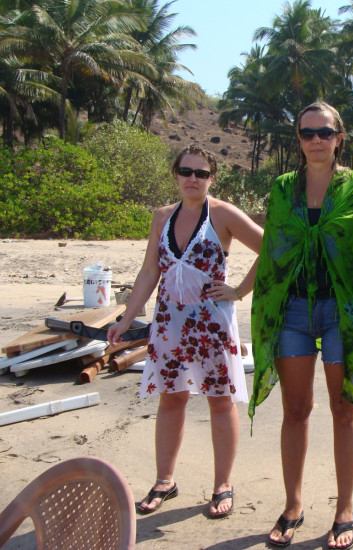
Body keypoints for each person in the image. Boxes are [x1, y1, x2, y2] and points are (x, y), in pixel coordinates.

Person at [249, 100, 353, 549]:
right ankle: (293, 505)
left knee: (344, 409)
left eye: (325, 132)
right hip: (292, 310)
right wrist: (239, 290)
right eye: (307, 133)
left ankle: (344, 508)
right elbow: (274, 249)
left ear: (339, 138)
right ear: (299, 139)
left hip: (343, 309)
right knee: (295, 409)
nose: (316, 140)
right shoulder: (283, 188)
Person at [107, 144, 263, 519]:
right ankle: (164, 481)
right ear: (176, 175)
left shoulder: (223, 214)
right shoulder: (162, 216)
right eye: (186, 171)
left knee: (220, 401)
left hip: (212, 324)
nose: (193, 179)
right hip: (169, 323)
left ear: (212, 178)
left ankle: (222, 485)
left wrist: (240, 290)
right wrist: (126, 319)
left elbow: (273, 246)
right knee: (171, 398)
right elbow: (150, 271)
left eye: (201, 173)